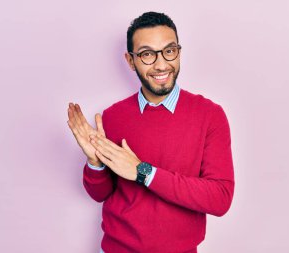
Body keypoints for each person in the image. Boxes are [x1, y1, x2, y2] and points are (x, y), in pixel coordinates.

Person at [67, 11, 235, 253]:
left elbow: (220, 198)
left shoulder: (210, 115)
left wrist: (143, 172)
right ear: (130, 60)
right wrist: (95, 163)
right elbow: (100, 193)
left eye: (169, 51)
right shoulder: (113, 116)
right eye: (147, 54)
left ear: (179, 52)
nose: (161, 64)